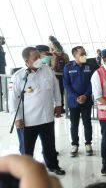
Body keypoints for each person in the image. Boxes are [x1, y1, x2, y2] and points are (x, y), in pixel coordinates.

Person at [8, 47, 65, 175]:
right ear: (27, 61)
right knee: (27, 149)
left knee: (50, 146)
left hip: (47, 117)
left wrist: (58, 105)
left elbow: (56, 89)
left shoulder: (47, 70)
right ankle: (25, 171)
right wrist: (16, 118)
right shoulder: (19, 76)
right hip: (27, 120)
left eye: (39, 57)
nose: (39, 60)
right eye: (35, 58)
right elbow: (13, 100)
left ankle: (53, 165)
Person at [63, 46, 95, 157]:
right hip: (73, 101)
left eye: (85, 53)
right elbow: (66, 84)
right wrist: (76, 96)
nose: (84, 56)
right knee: (74, 124)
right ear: (74, 56)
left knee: (87, 123)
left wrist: (86, 95)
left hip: (87, 100)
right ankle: (75, 144)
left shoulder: (90, 66)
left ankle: (88, 143)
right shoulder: (68, 67)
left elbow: (93, 83)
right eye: (81, 54)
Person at [49, 36, 70, 113]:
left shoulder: (51, 56)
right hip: (64, 75)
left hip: (55, 75)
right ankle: (62, 107)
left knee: (56, 92)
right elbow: (68, 65)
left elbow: (48, 67)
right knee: (62, 92)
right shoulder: (65, 55)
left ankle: (57, 107)